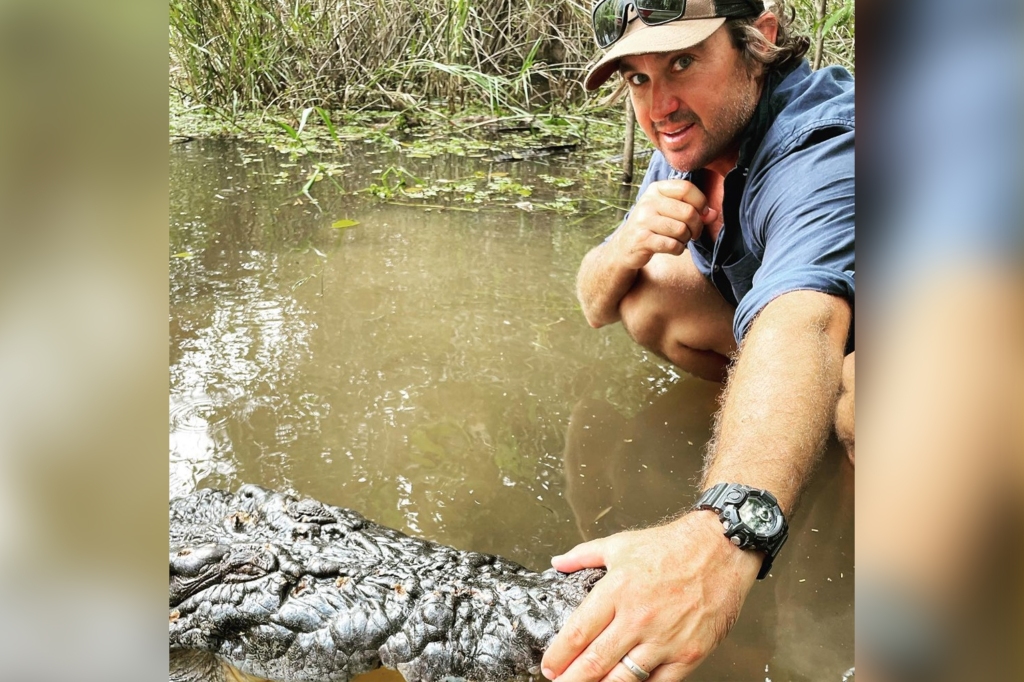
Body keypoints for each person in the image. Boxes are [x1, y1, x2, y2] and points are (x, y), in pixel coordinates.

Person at [540, 1, 854, 681]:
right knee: (649, 294)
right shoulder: (694, 139)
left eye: (683, 61)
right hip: (822, 349)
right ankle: (793, 432)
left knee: (862, 402)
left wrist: (725, 533)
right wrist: (626, 242)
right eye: (638, 79)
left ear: (760, 40)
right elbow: (597, 305)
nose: (661, 104)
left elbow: (803, 322)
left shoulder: (824, 143)